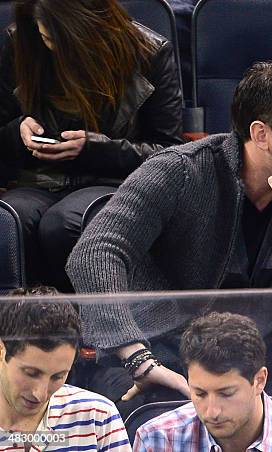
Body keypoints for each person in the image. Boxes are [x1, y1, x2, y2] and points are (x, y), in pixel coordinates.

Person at [66, 60, 272, 429]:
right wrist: (137, 358)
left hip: (264, 376)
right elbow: (94, 253)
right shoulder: (181, 169)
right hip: (168, 367)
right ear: (261, 134)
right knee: (135, 407)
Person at [0, 0, 183, 290]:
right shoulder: (23, 42)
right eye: (46, 39)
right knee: (9, 218)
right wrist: (17, 130)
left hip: (114, 182)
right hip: (37, 180)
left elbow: (170, 153)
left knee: (61, 224)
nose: (53, 49)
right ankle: (18, 325)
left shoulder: (149, 53)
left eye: (62, 41)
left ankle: (83, 323)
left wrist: (98, 150)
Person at [133, 312, 272, 451]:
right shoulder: (157, 440)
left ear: (259, 380)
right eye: (199, 394)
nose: (212, 412)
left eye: (226, 393)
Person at [0, 286, 130, 451]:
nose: (40, 394)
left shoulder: (98, 416)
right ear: (1, 350)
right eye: (31, 374)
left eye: (58, 377)